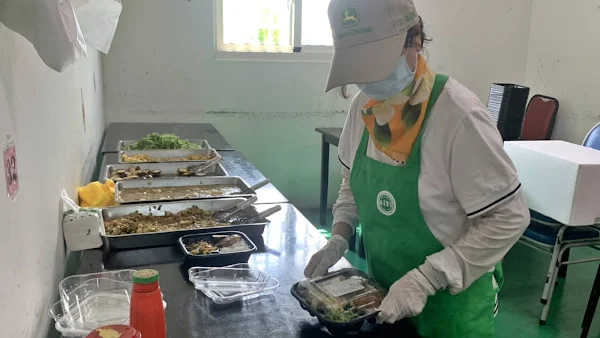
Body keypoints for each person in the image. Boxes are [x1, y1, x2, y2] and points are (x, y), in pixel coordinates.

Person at [304, 0, 530, 337]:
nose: (368, 79)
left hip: (452, 310)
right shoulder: (363, 111)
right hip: (382, 298)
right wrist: (339, 238)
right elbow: (351, 187)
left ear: (415, 39)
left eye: (375, 61)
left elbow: (509, 218)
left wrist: (427, 279)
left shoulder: (458, 116)